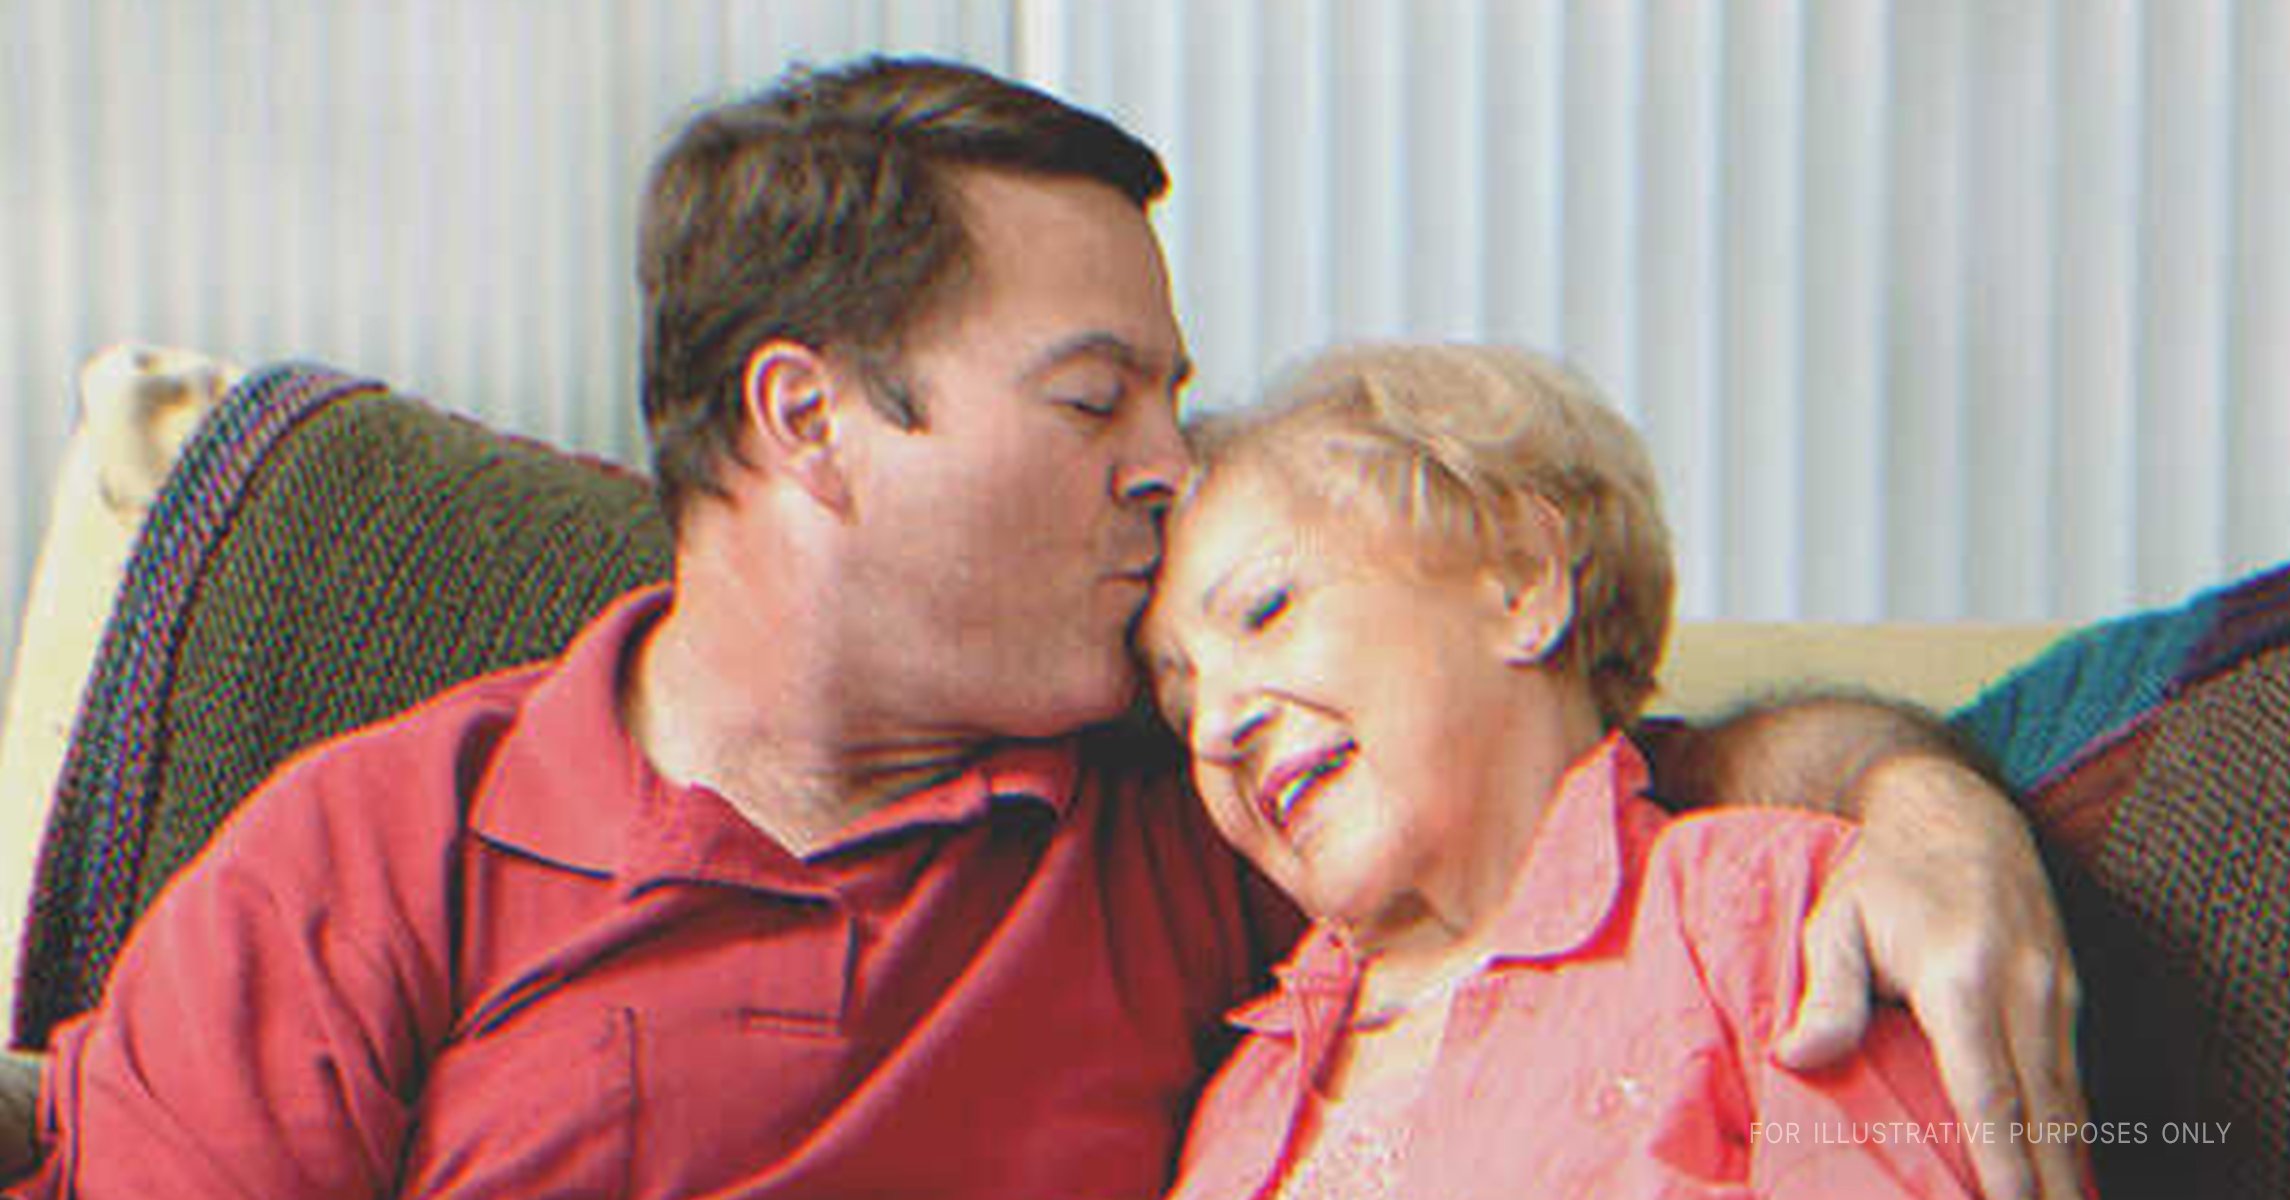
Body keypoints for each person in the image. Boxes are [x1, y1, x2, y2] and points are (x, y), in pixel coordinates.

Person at [0, 57, 2082, 1199]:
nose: (1175, 467)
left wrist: (1918, 807)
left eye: (1176, 403)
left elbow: (1633, 788)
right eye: (1101, 401)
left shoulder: (1206, 837)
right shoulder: (366, 865)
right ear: (807, 420)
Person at [1147, 342, 2021, 1197]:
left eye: (1266, 610)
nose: (1219, 725)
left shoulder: (1766, 924)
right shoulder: (1239, 1100)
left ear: (1524, 584)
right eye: (1182, 706)